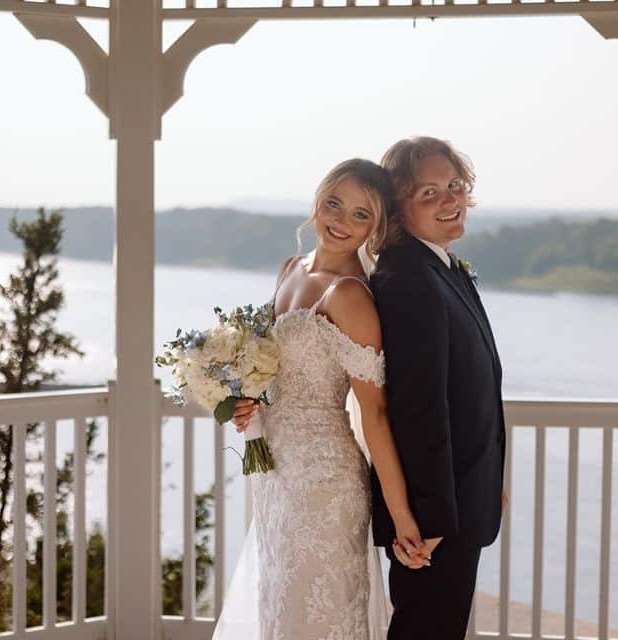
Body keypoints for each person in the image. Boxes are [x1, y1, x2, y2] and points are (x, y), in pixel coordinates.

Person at [214, 158, 427, 640]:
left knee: (317, 613)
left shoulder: (350, 295)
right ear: (318, 199)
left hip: (324, 483)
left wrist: (400, 517)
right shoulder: (291, 269)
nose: (341, 221)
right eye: (335, 203)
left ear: (375, 227)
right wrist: (247, 402)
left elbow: (373, 412)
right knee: (280, 607)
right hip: (274, 476)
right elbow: (274, 371)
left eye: (360, 214)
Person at [372, 136, 506, 640]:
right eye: (429, 193)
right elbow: (418, 408)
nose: (450, 200)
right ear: (397, 208)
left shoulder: (441, 266)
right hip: (433, 521)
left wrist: (490, 476)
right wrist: (427, 516)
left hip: (461, 494)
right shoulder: (408, 278)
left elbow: (469, 392)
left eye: (454, 186)